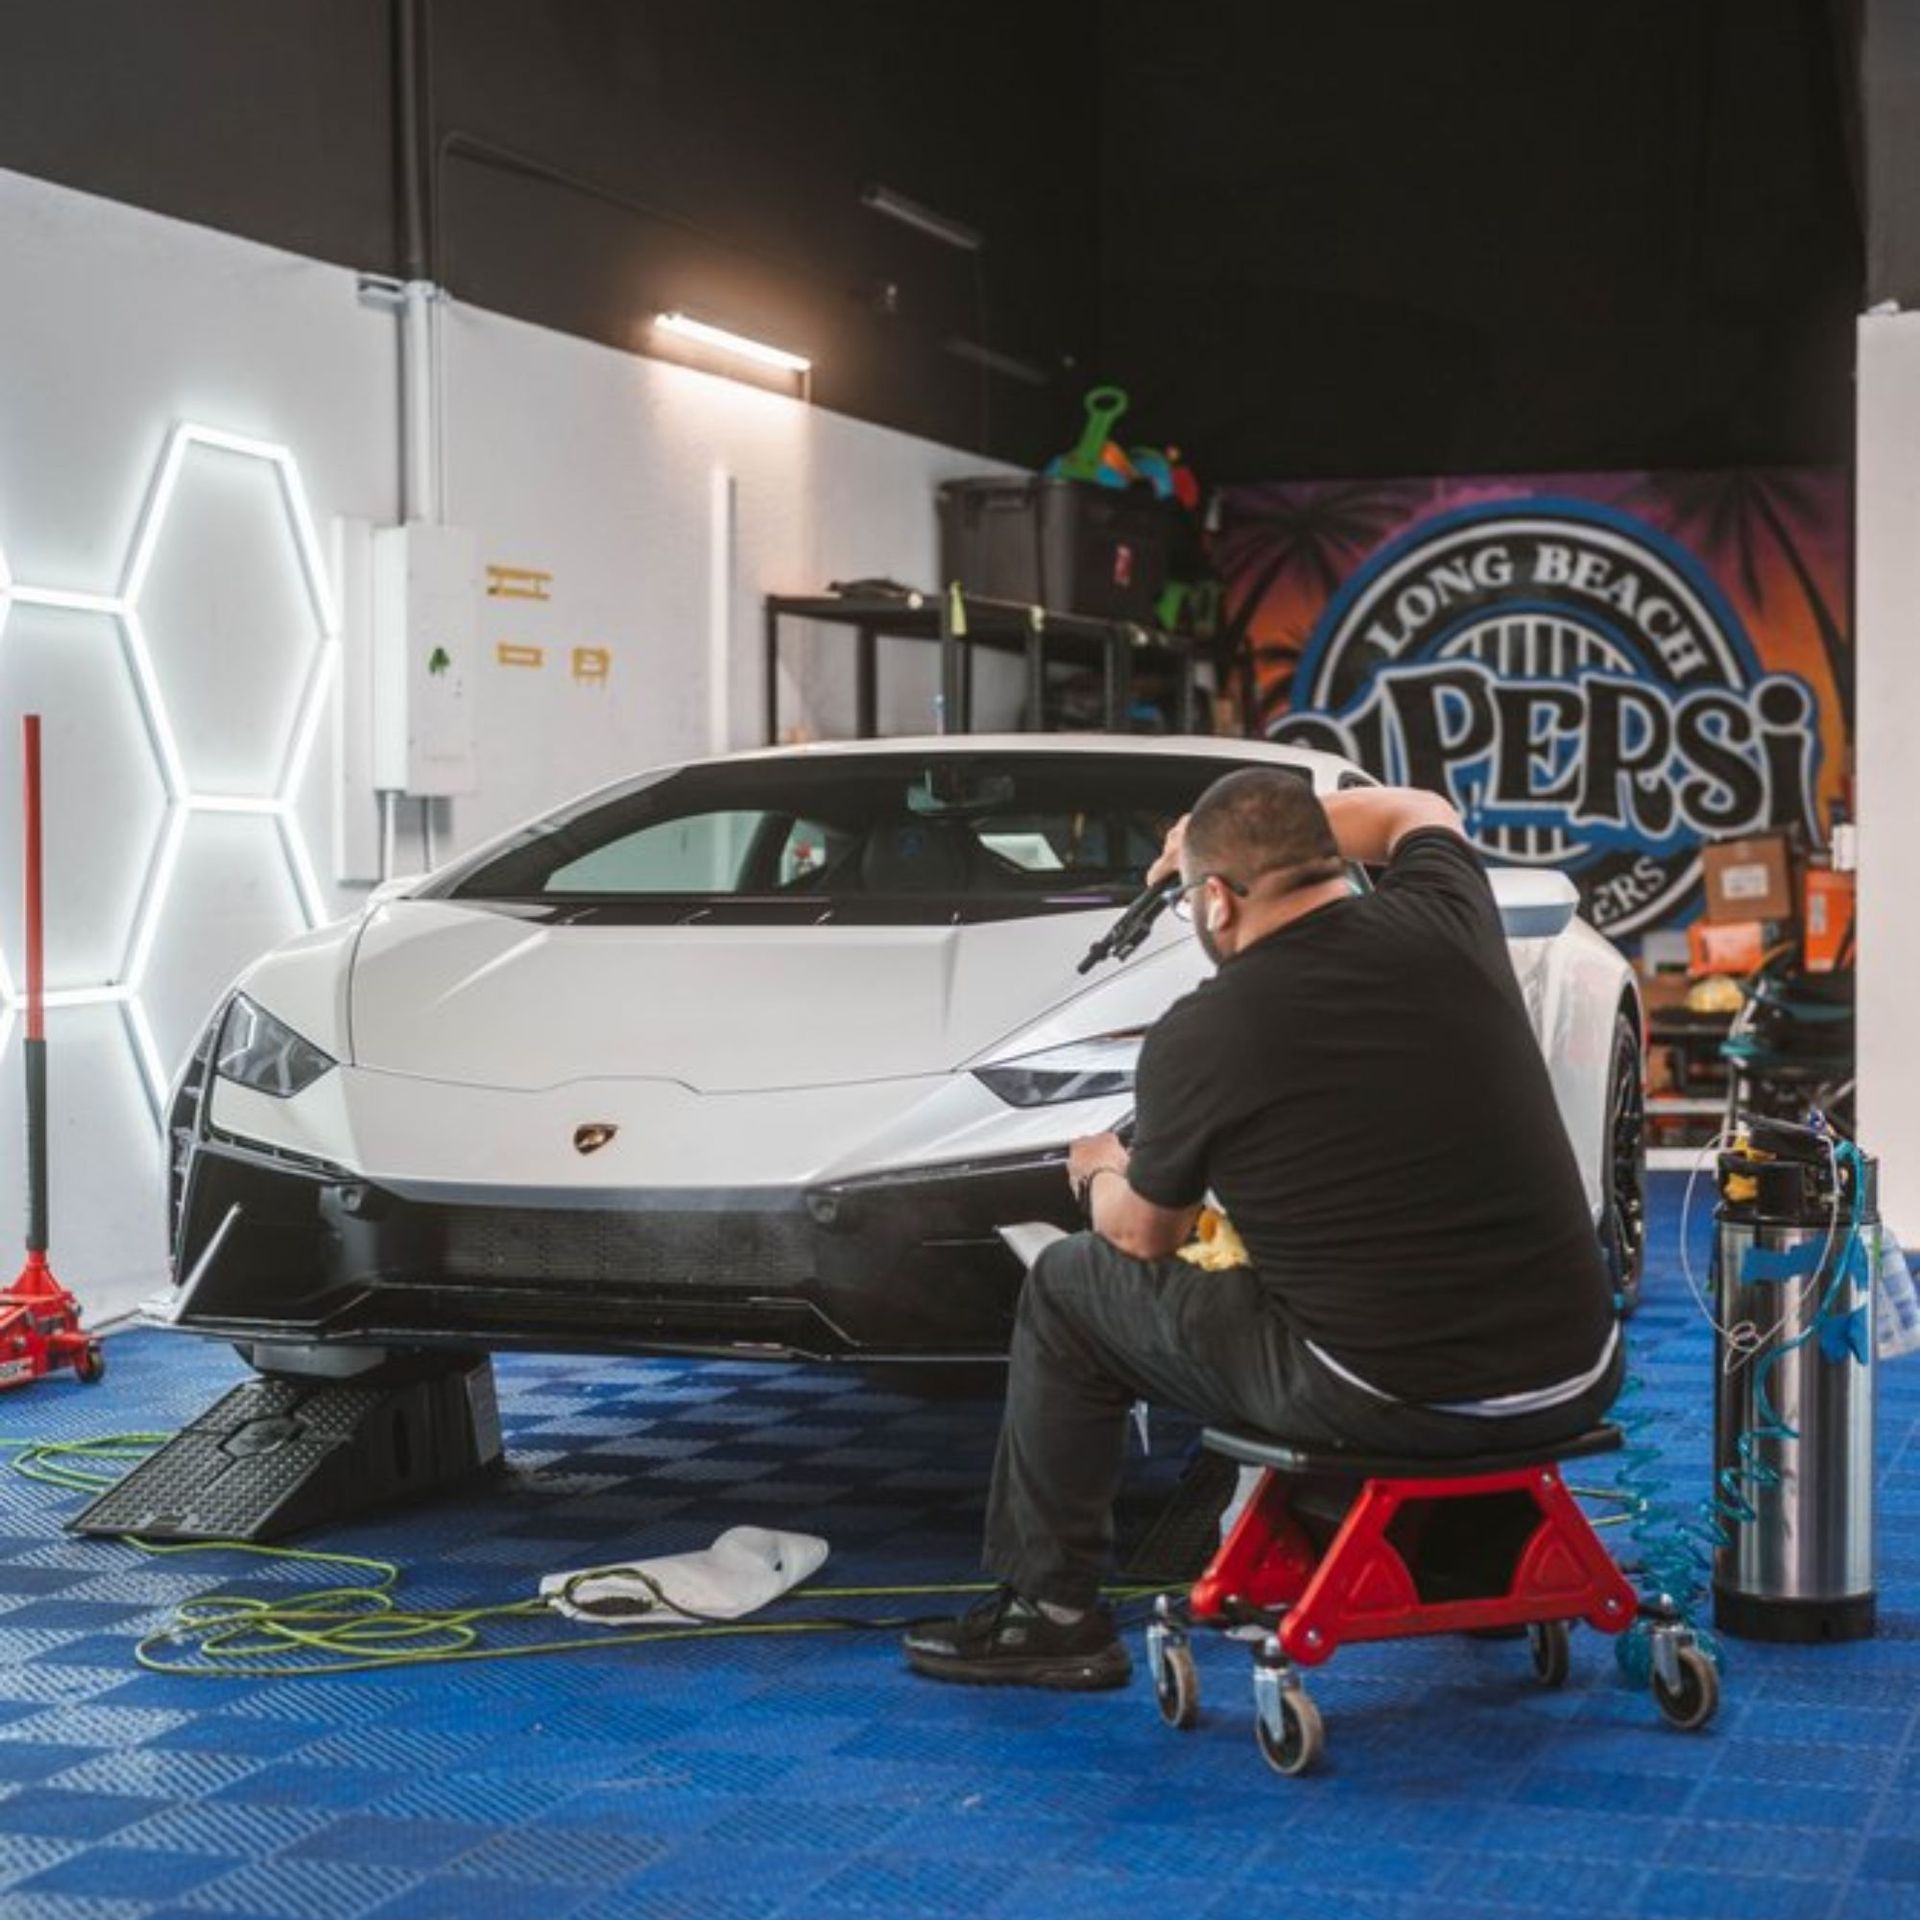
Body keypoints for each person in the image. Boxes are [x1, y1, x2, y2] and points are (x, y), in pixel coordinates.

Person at [902, 770, 1623, 1690]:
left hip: (1384, 1395)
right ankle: (1471, 1555)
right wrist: (1248, 830)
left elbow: (1144, 1239)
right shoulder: (1449, 914)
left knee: (1071, 1283)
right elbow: (1419, 812)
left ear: (1213, 899)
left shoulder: (1207, 1031)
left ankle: (1049, 1617)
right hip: (1577, 1372)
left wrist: (1097, 1171)